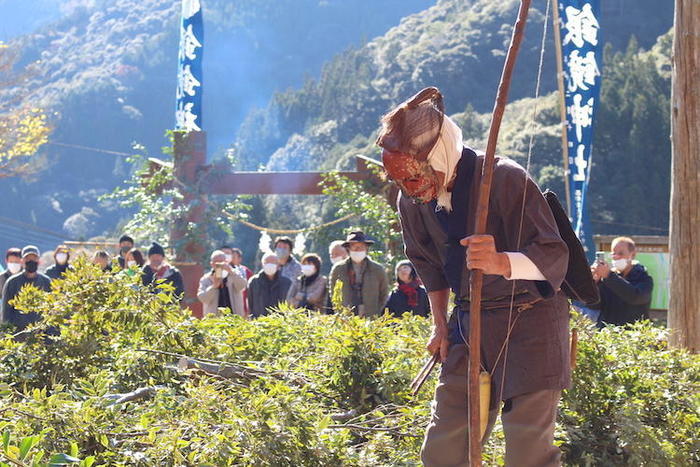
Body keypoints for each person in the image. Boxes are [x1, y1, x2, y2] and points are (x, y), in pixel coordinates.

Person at [377, 87, 570, 465]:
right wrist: (439, 326)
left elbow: (554, 255)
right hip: (468, 321)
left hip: (531, 322)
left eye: (416, 176)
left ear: (437, 154)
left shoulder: (504, 178)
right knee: (445, 447)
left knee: (528, 451)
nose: (412, 189)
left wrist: (500, 261)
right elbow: (427, 264)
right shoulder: (410, 199)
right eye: (402, 181)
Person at [590, 236, 653, 327]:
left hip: (633, 335)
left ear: (633, 254)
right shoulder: (607, 279)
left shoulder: (644, 278)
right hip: (607, 335)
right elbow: (594, 305)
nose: (616, 257)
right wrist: (595, 283)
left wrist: (609, 276)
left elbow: (635, 297)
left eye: (620, 253)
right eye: (613, 253)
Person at [329, 231, 389, 317]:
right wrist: (340, 312)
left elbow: (384, 294)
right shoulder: (338, 269)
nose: (358, 250)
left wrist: (376, 312)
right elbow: (334, 294)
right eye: (354, 247)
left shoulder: (378, 270)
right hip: (346, 317)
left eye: (361, 247)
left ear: (366, 249)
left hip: (371, 317)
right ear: (348, 249)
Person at [1, 245, 52, 331]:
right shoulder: (12, 282)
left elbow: (51, 310)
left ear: (39, 261)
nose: (31, 261)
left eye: (34, 258)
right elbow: (6, 312)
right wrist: (7, 335)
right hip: (18, 335)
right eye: (28, 259)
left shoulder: (46, 282)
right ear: (22, 261)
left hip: (40, 334)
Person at [197, 250, 248, 318]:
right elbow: (202, 298)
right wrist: (214, 286)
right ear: (211, 264)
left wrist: (231, 272)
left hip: (235, 317)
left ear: (227, 262)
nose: (220, 265)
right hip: (214, 320)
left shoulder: (235, 274)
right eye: (217, 263)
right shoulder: (206, 279)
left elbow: (242, 286)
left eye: (222, 262)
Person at [247, 253, 292, 318]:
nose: (270, 265)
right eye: (267, 263)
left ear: (278, 265)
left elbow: (289, 304)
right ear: (262, 264)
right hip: (259, 322)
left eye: (273, 263)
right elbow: (250, 303)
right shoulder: (254, 282)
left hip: (280, 323)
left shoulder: (287, 283)